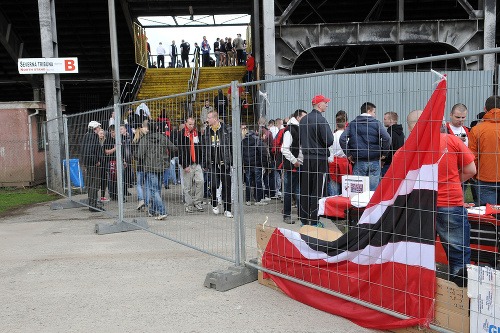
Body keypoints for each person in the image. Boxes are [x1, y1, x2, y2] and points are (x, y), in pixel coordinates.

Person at [407, 110, 475, 286]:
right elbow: (471, 170)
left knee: (419, 252)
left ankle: (421, 292)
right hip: (450, 203)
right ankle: (458, 298)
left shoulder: (408, 148)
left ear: (411, 127)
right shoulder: (451, 140)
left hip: (421, 205)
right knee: (458, 255)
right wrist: (452, 181)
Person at [298, 95, 335, 227]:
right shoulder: (321, 120)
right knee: (317, 190)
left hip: (307, 158)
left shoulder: (303, 120)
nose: (327, 105)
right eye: (325, 103)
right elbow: (329, 140)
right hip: (319, 158)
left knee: (305, 189)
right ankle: (314, 220)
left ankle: (303, 219)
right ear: (319, 105)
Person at [339, 102, 391, 191]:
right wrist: (384, 154)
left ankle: (358, 205)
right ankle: (371, 205)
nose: (375, 115)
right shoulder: (376, 123)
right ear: (369, 111)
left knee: (358, 191)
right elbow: (387, 138)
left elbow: (342, 139)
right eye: (374, 112)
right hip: (374, 160)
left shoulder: (353, 124)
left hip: (359, 160)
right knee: (372, 192)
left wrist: (349, 154)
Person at [137, 122, 177, 220]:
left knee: (154, 190)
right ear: (158, 127)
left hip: (150, 167)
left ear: (148, 128)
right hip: (161, 166)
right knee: (157, 189)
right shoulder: (163, 137)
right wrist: (167, 158)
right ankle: (153, 210)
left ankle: (162, 211)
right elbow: (174, 148)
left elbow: (140, 155)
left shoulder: (145, 139)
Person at [469, 95, 500, 205]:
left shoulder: (477, 129)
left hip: (485, 179)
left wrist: (474, 175)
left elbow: (473, 157)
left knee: (489, 217)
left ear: (485, 109)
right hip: (485, 178)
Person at [203, 111, 233, 218]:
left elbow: (231, 146)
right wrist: (205, 161)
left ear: (215, 118)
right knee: (214, 184)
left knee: (227, 186)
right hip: (213, 163)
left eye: (209, 118)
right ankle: (214, 203)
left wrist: (231, 161)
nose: (207, 120)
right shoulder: (207, 131)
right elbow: (204, 147)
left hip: (224, 162)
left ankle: (227, 209)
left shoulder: (226, 129)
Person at [281, 109, 308, 224]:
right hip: (292, 166)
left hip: (298, 165)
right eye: (304, 117)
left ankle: (301, 214)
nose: (306, 119)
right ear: (298, 117)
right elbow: (284, 149)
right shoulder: (290, 130)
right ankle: (287, 215)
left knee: (298, 190)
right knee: (288, 191)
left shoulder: (298, 129)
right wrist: (294, 161)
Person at [175, 118, 204, 213]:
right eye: (190, 124)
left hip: (197, 162)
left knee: (200, 181)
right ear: (186, 123)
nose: (192, 126)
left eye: (193, 124)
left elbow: (200, 147)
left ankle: (197, 201)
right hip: (187, 163)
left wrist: (201, 161)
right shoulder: (181, 134)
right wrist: (185, 165)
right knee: (188, 186)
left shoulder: (196, 133)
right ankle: (188, 204)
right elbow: (180, 150)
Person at [80, 121, 105, 212]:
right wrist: (96, 161)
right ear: (95, 128)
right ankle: (93, 205)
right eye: (98, 127)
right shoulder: (92, 137)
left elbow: (85, 151)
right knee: (95, 184)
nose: (99, 129)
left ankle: (92, 204)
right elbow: (89, 151)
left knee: (91, 184)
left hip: (88, 164)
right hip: (93, 165)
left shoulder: (86, 136)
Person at [241, 124, 269, 206]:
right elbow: (263, 153)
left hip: (247, 164)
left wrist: (243, 164)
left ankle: (248, 200)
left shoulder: (243, 141)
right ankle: (258, 199)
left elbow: (241, 153)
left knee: (248, 182)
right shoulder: (257, 140)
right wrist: (265, 164)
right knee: (258, 181)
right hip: (257, 164)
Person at [327, 111, 350, 196]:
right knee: (346, 187)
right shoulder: (347, 137)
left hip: (334, 162)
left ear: (336, 124)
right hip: (345, 162)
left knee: (334, 187)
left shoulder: (332, 135)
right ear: (345, 124)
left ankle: (333, 203)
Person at [132, 120, 149, 211]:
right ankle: (145, 202)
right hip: (148, 164)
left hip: (140, 164)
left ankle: (141, 200)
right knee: (146, 184)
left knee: (139, 184)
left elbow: (133, 151)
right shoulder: (148, 137)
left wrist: (136, 158)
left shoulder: (136, 138)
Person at [381, 111, 405, 177]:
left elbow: (388, 148)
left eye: (385, 119)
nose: (384, 121)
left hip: (388, 164)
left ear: (391, 120)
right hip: (398, 162)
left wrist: (383, 161)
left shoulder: (389, 133)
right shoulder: (401, 133)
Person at [97, 128, 109, 203]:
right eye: (100, 133)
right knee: (97, 180)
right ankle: (96, 196)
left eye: (103, 133)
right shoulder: (96, 142)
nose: (102, 135)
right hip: (98, 163)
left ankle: (102, 196)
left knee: (104, 180)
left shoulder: (105, 142)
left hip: (104, 163)